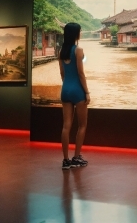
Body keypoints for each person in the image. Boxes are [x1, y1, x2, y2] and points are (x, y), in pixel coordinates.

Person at [59, 23, 90, 170]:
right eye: (80, 31)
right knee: (82, 125)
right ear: (76, 34)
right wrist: (87, 92)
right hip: (78, 91)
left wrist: (68, 86)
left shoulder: (61, 51)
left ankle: (66, 160)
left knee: (66, 126)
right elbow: (81, 73)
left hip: (65, 90)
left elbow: (63, 74)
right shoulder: (78, 50)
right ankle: (76, 158)